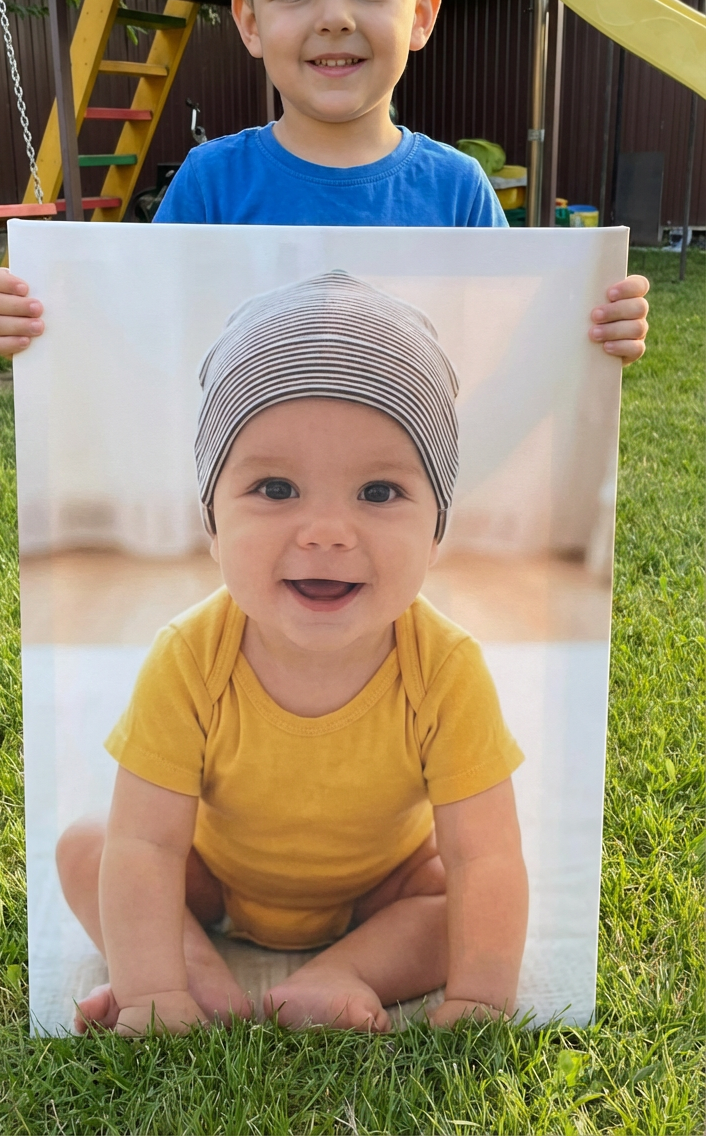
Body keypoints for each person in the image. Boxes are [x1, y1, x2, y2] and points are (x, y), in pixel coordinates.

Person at [56, 271, 528, 1036]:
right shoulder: (187, 658)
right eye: (275, 488)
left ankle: (343, 972)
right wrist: (151, 985)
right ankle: (196, 974)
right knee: (93, 849)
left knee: (464, 901)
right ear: (210, 520)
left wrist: (480, 996)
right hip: (211, 877)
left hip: (384, 886)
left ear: (438, 529)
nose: (326, 532)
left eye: (378, 493)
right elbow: (148, 843)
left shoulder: (447, 667)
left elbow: (486, 857)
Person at [0, 0, 649, 360]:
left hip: (405, 512)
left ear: (421, 13)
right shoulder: (211, 184)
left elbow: (506, 347)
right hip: (252, 510)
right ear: (249, 20)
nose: (334, 16)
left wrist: (589, 333)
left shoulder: (458, 192)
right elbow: (150, 334)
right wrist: (50, 320)